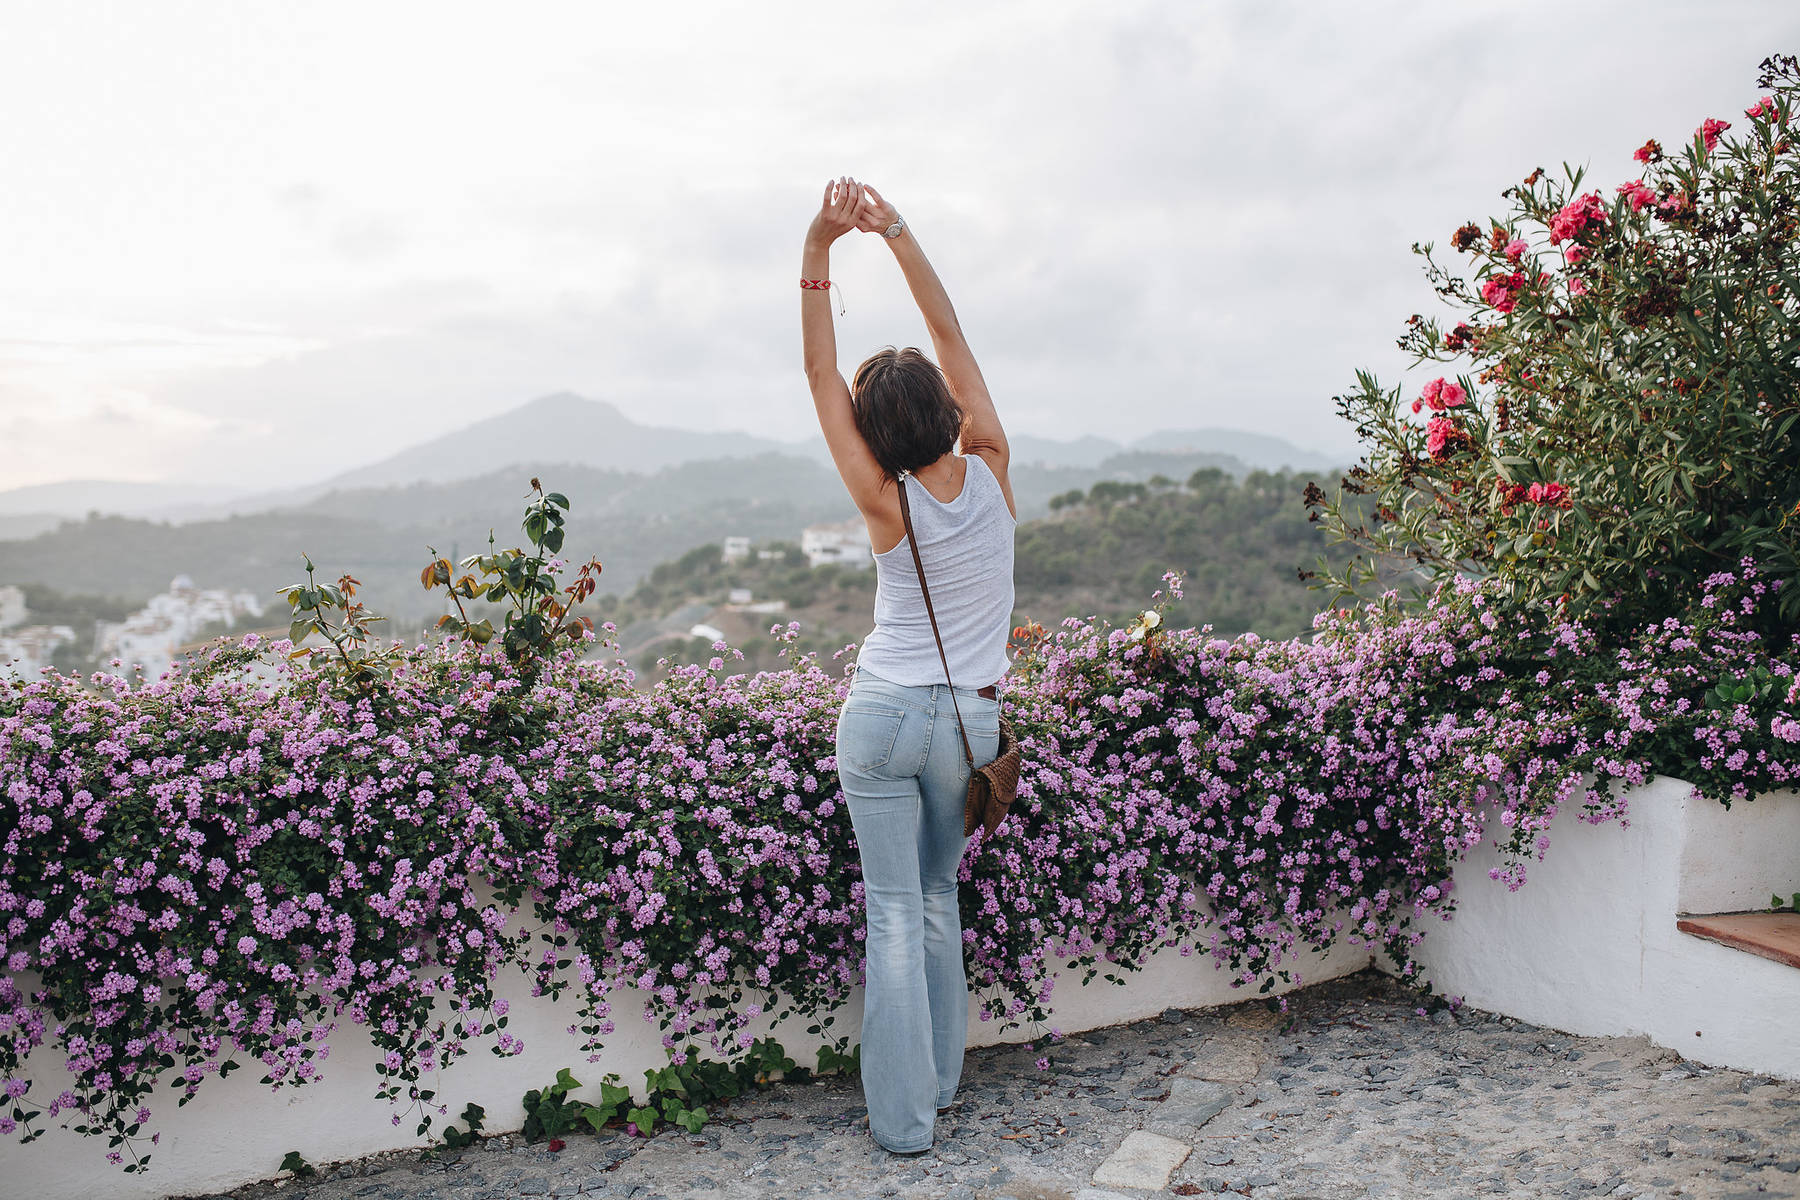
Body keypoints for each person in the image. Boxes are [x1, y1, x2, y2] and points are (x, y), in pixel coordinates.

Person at [799, 177, 1018, 1154]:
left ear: (875, 437)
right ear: (947, 404)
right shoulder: (995, 467)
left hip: (883, 716)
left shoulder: (886, 505)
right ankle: (936, 1085)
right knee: (934, 902)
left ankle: (904, 1123)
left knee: (892, 912)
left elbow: (818, 381)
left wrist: (819, 244)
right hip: (970, 723)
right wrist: (892, 229)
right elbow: (951, 327)